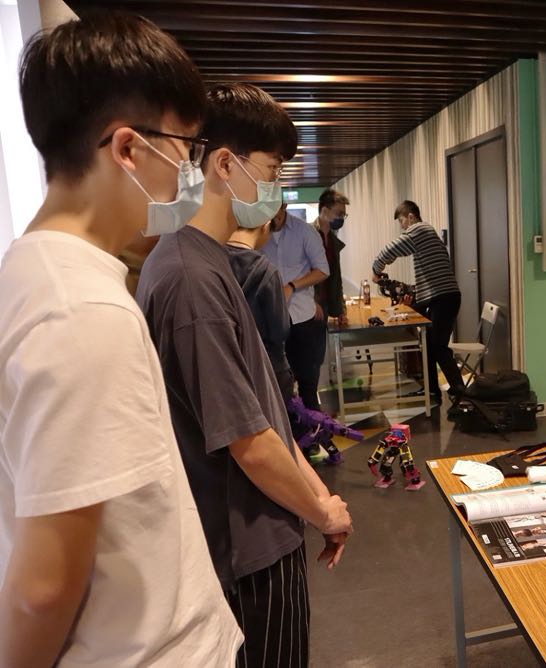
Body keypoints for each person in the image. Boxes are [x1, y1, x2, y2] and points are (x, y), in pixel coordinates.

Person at [0, 13, 242, 666]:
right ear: (129, 150)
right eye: (185, 150)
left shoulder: (31, 274)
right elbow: (44, 588)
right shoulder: (81, 310)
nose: (189, 175)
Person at [136, 82, 352, 667]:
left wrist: (318, 495)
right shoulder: (190, 278)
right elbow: (249, 441)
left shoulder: (209, 263)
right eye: (272, 170)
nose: (275, 189)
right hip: (246, 549)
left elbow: (265, 410)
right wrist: (321, 511)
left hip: (266, 532)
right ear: (225, 165)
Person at [372, 200, 465, 402]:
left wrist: (376, 270)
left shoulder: (420, 229)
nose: (403, 227)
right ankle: (431, 390)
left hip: (444, 298)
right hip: (441, 297)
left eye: (402, 221)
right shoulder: (426, 235)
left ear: (411, 217)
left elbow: (390, 250)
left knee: (438, 346)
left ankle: (460, 392)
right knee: (429, 345)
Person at [262, 202, 330, 410]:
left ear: (284, 207)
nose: (272, 220)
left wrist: (292, 286)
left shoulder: (305, 232)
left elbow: (322, 270)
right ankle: (289, 428)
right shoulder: (257, 234)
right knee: (279, 385)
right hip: (270, 319)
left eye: (276, 214)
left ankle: (312, 428)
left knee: (308, 384)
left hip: (302, 318)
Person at [226, 220, 294, 403]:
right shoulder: (266, 271)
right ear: (265, 225)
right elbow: (280, 330)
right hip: (267, 368)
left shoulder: (213, 262)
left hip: (229, 365)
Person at [314, 187, 350, 326]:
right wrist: (311, 301)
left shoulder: (333, 241)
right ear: (324, 211)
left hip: (325, 305)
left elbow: (336, 278)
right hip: (309, 307)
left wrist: (341, 310)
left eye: (344, 215)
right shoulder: (307, 236)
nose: (341, 218)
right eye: (339, 214)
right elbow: (299, 274)